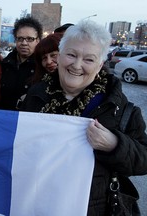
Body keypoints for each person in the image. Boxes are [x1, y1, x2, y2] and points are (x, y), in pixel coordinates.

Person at [22, 20, 147, 215]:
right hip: (38, 202)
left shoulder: (120, 108)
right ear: (60, 56)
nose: (77, 65)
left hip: (92, 208)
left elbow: (144, 159)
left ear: (99, 65)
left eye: (89, 59)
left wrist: (115, 144)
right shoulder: (36, 96)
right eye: (71, 55)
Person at [0, 17, 42, 110]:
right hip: (4, 118)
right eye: (20, 38)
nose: (24, 43)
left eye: (30, 39)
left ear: (38, 40)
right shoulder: (4, 64)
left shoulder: (43, 67)